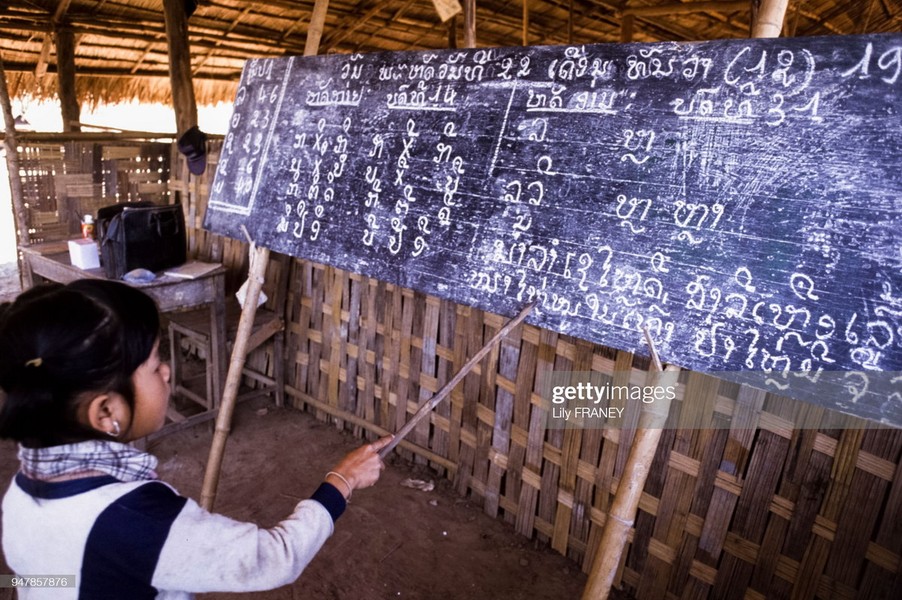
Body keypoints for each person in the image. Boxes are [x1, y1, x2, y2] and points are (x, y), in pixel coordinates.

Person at [0, 279, 391, 598]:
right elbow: (275, 558)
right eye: (155, 365)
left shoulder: (20, 493)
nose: (168, 372)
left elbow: (25, 582)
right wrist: (343, 479)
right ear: (106, 412)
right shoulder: (135, 518)